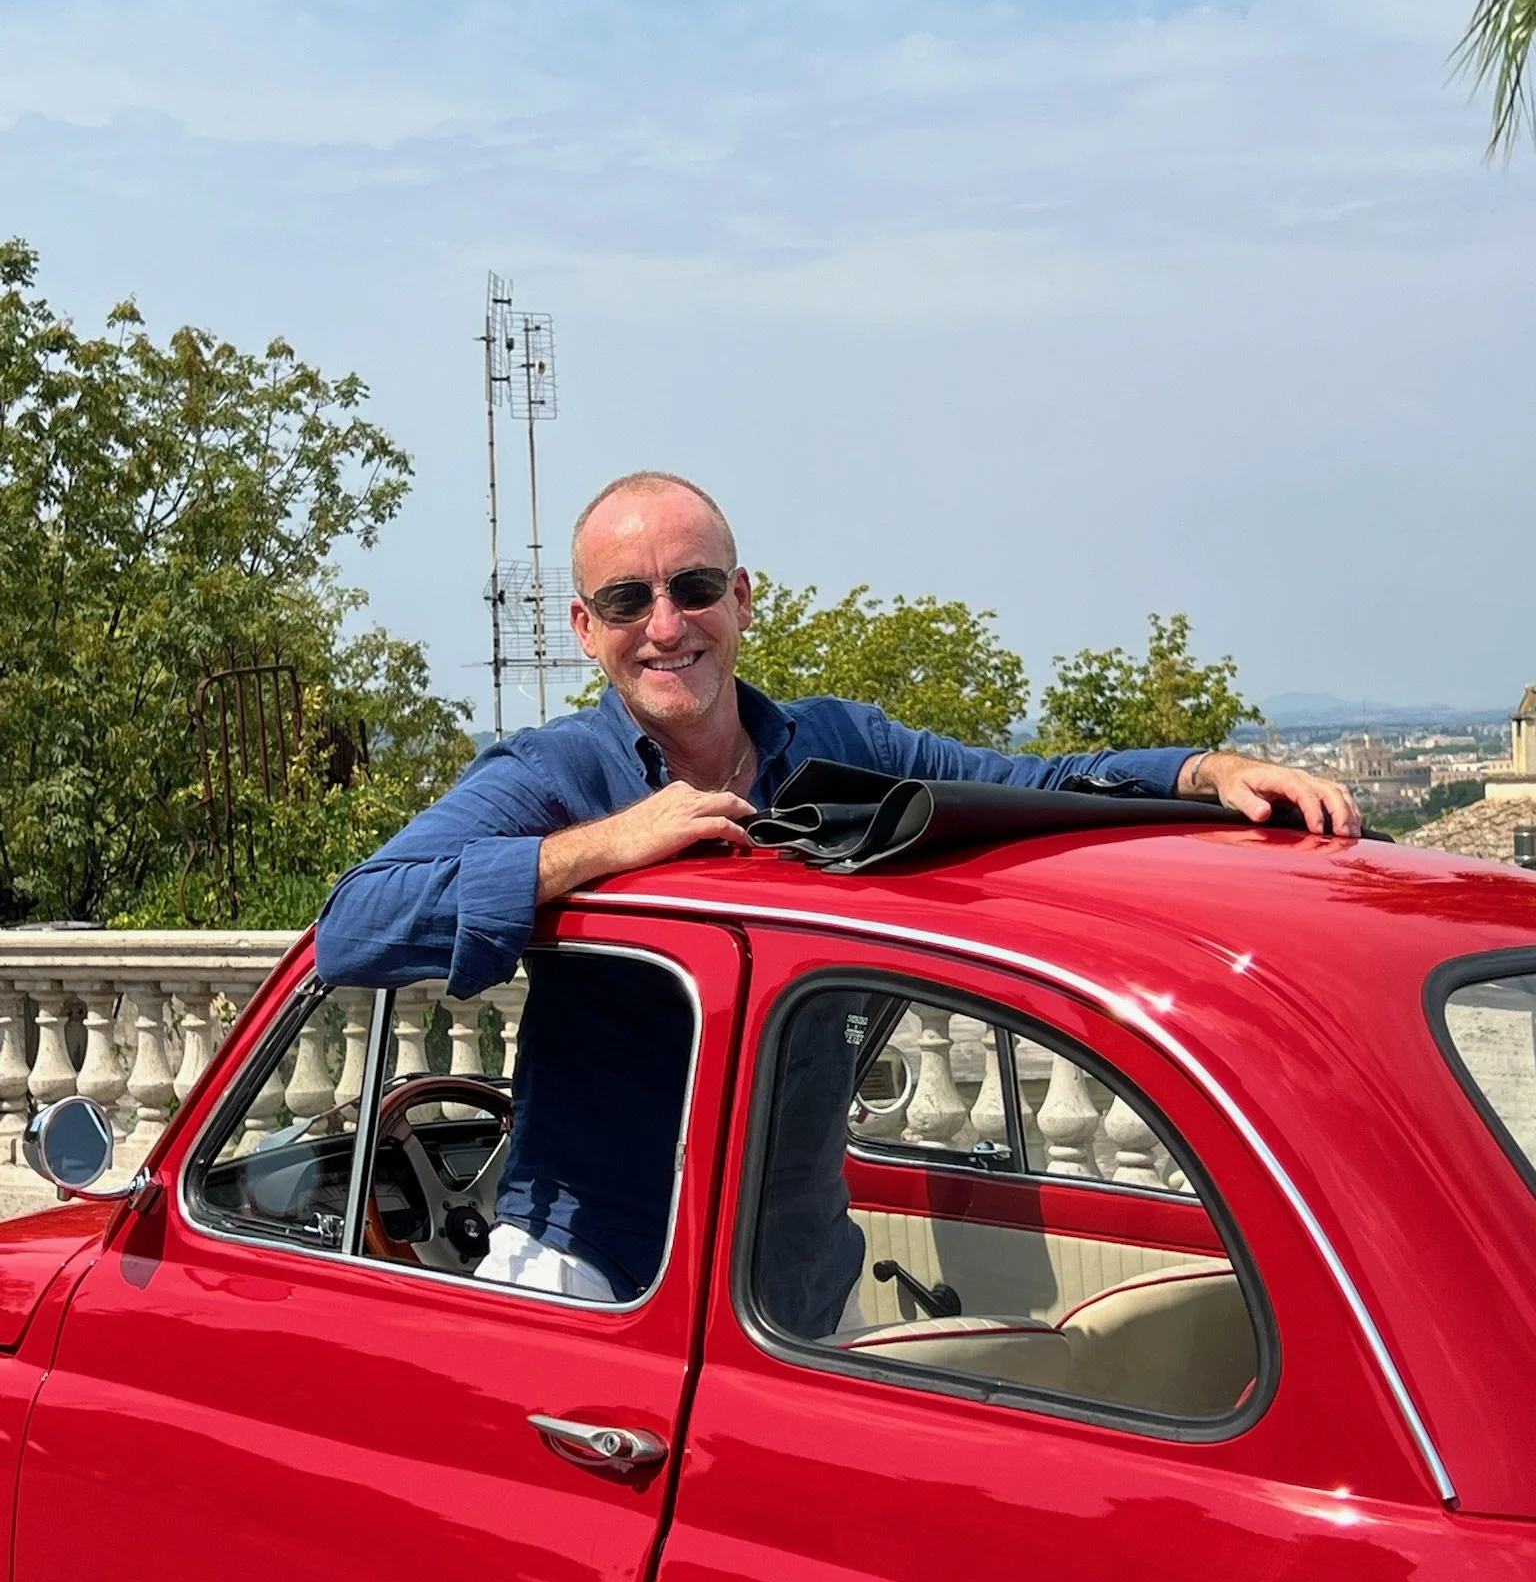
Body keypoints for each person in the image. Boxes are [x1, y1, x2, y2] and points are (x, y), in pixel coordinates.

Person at [315, 470, 1360, 1309]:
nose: (667, 623)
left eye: (695, 587)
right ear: (588, 629)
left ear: (743, 599)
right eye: (630, 599)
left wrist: (1200, 775)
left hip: (793, 1269)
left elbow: (1024, 786)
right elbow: (356, 925)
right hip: (591, 1266)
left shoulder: (841, 745)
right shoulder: (550, 778)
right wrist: (599, 847)